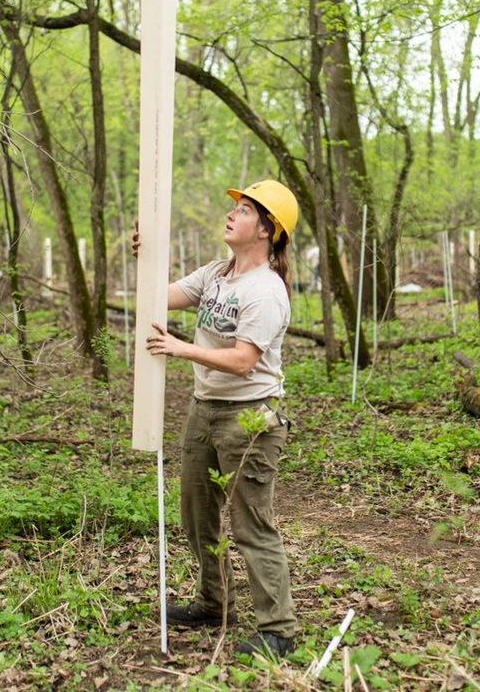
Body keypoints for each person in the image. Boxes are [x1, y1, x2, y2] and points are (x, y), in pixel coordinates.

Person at [141, 179, 300, 659]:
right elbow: (160, 297)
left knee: (251, 524)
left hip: (250, 420)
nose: (233, 214)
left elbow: (243, 360)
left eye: (247, 210)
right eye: (236, 207)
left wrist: (179, 347)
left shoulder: (266, 291)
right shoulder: (216, 274)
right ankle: (214, 603)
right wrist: (143, 256)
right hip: (204, 410)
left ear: (267, 230)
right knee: (197, 516)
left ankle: (278, 629)